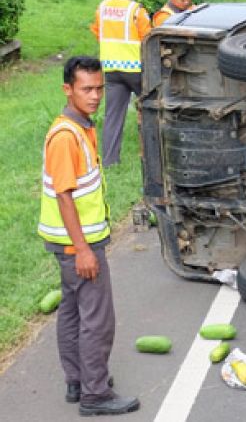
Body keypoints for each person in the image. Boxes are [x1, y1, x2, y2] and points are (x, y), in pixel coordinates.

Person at [40, 56, 140, 416]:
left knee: (71, 311)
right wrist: (83, 249)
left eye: (99, 88)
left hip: (67, 243)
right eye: (87, 89)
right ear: (68, 90)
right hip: (77, 245)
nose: (96, 95)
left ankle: (77, 380)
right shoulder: (67, 137)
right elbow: (64, 196)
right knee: (97, 319)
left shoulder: (80, 126)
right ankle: (95, 394)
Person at [90, 0, 151, 168]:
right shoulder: (137, 11)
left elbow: (98, 32)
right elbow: (149, 39)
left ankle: (109, 161)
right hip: (135, 70)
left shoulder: (103, 7)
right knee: (152, 109)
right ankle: (154, 155)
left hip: (110, 69)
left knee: (113, 116)